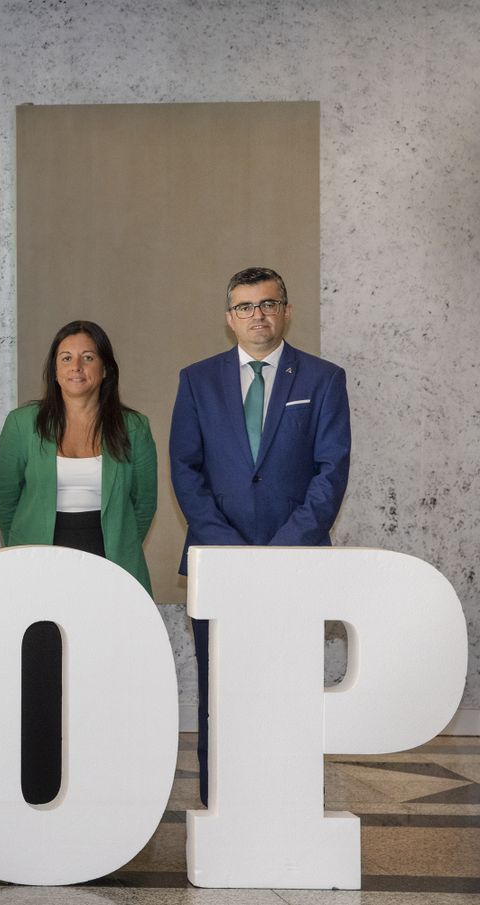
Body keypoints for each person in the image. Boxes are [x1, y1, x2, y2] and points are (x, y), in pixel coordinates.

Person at [169, 266, 350, 806]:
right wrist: (230, 551)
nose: (258, 315)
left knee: (289, 688)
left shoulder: (322, 379)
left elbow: (332, 469)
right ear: (229, 318)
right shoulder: (197, 381)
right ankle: (219, 799)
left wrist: (280, 551)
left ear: (287, 311)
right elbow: (185, 469)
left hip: (295, 562)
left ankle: (289, 800)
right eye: (246, 306)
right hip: (217, 566)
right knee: (219, 692)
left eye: (268, 304)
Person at [0, 319, 157, 805]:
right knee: (41, 674)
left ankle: (101, 790)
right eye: (66, 357)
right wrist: (26, 546)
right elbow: (5, 499)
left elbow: (142, 505)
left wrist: (119, 545)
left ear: (105, 368)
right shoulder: (23, 424)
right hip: (40, 562)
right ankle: (38, 786)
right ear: (53, 368)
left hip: (109, 563)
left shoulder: (134, 426)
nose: (76, 366)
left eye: (87, 357)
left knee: (101, 678)